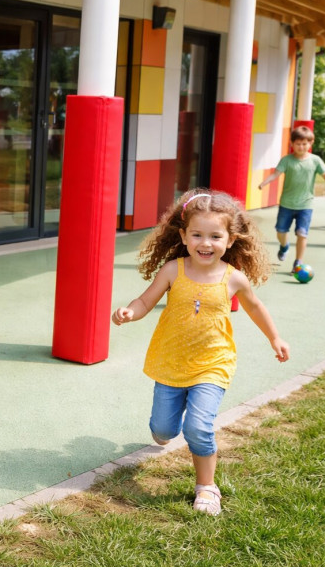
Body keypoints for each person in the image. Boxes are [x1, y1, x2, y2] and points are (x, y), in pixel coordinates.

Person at [112, 189, 290, 516]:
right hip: (170, 362)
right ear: (183, 235)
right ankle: (164, 429)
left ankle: (206, 487)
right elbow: (145, 301)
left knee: (198, 427)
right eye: (197, 234)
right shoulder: (172, 271)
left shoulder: (234, 279)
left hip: (213, 364)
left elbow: (255, 307)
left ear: (231, 239)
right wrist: (129, 312)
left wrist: (274, 338)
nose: (205, 243)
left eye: (215, 236)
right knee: (164, 430)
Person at [258, 125, 325, 271]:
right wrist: (265, 182)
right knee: (281, 232)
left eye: (304, 144)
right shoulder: (287, 160)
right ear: (292, 143)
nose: (301, 147)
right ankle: (284, 247)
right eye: (298, 144)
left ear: (310, 143)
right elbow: (276, 174)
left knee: (302, 234)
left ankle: (298, 262)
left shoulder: (315, 160)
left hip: (305, 205)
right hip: (287, 204)